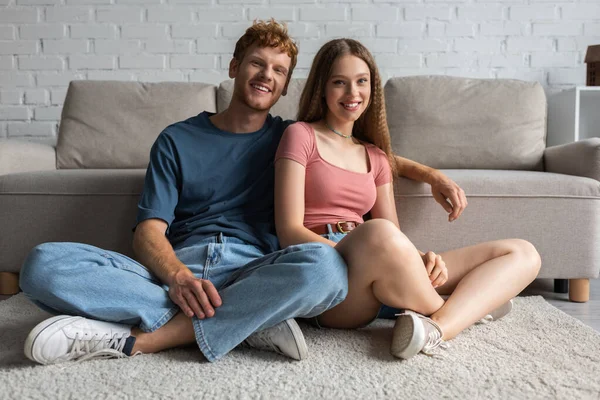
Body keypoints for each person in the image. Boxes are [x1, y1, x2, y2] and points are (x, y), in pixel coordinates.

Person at [19, 20, 467, 366]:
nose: (265, 75)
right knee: (42, 264)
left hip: (258, 269)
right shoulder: (176, 139)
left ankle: (167, 331)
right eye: (256, 63)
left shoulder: (292, 137)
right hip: (180, 269)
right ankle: (252, 321)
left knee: (326, 268)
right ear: (235, 68)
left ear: (286, 85)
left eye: (278, 70)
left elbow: (359, 153)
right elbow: (147, 232)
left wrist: (430, 174)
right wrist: (178, 277)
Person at [273, 38, 541, 360]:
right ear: (322, 87)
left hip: (382, 265)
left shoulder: (376, 157)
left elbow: (394, 237)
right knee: (378, 233)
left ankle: (436, 327)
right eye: (339, 83)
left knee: (523, 253)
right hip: (332, 275)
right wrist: (358, 253)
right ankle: (464, 311)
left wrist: (422, 258)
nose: (352, 93)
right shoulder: (300, 135)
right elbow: (288, 230)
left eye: (361, 82)